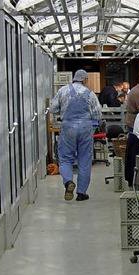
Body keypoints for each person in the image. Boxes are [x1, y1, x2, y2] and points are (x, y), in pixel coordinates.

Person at [49, 69, 102, 202]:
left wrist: (62, 113)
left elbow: (52, 108)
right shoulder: (90, 94)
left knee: (66, 158)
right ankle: (81, 193)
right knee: (84, 159)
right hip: (85, 128)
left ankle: (68, 182)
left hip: (68, 128)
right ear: (84, 80)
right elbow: (97, 114)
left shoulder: (63, 90)